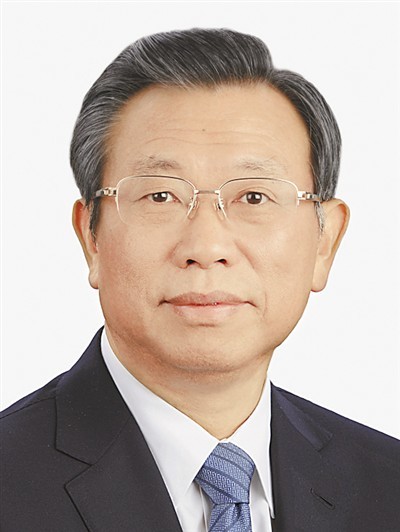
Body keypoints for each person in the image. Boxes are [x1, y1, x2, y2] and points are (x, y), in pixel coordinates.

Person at [1, 28, 399, 532]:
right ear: (91, 237)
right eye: (160, 196)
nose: (207, 247)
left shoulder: (387, 484)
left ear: (325, 242)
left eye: (253, 197)